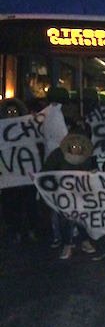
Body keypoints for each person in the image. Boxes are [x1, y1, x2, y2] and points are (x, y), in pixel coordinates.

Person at [42, 130, 98, 259]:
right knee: (66, 219)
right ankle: (67, 245)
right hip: (63, 194)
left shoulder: (87, 157)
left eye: (79, 147)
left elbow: (92, 171)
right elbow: (46, 171)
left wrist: (93, 173)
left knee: (82, 218)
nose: (76, 149)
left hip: (81, 193)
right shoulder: (57, 155)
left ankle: (85, 242)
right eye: (74, 147)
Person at [0, 98, 38, 246]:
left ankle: (31, 229)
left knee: (30, 205)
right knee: (11, 205)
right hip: (9, 176)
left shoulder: (28, 128)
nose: (11, 114)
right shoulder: (1, 130)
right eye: (9, 112)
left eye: (14, 111)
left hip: (27, 175)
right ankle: (14, 231)